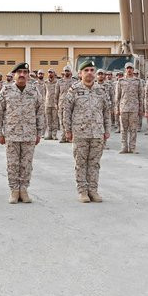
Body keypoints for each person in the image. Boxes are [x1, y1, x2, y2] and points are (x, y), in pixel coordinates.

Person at [61, 61, 111, 203]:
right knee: (81, 163)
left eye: (91, 70)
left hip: (97, 132)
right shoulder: (74, 90)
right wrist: (67, 130)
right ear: (80, 73)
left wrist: (107, 129)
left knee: (95, 163)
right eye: (86, 70)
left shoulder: (101, 90)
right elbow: (66, 111)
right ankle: (83, 191)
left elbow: (106, 111)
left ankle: (93, 190)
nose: (89, 72)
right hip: (80, 132)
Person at [0, 62, 43, 204]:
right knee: (13, 164)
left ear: (28, 75)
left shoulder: (34, 91)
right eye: (19, 72)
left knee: (26, 164)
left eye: (25, 72)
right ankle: (14, 191)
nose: (22, 74)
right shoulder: (6, 90)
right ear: (14, 75)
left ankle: (24, 190)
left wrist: (39, 132)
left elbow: (40, 112)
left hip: (29, 134)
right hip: (11, 134)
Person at [114, 64, 143, 154]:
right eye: (127, 68)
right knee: (123, 129)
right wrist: (117, 109)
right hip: (123, 108)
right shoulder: (121, 81)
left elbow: (140, 96)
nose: (129, 70)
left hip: (134, 108)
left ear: (133, 70)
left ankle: (132, 147)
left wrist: (141, 109)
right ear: (125, 69)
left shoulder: (137, 81)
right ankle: (124, 147)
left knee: (133, 129)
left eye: (130, 68)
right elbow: (117, 96)